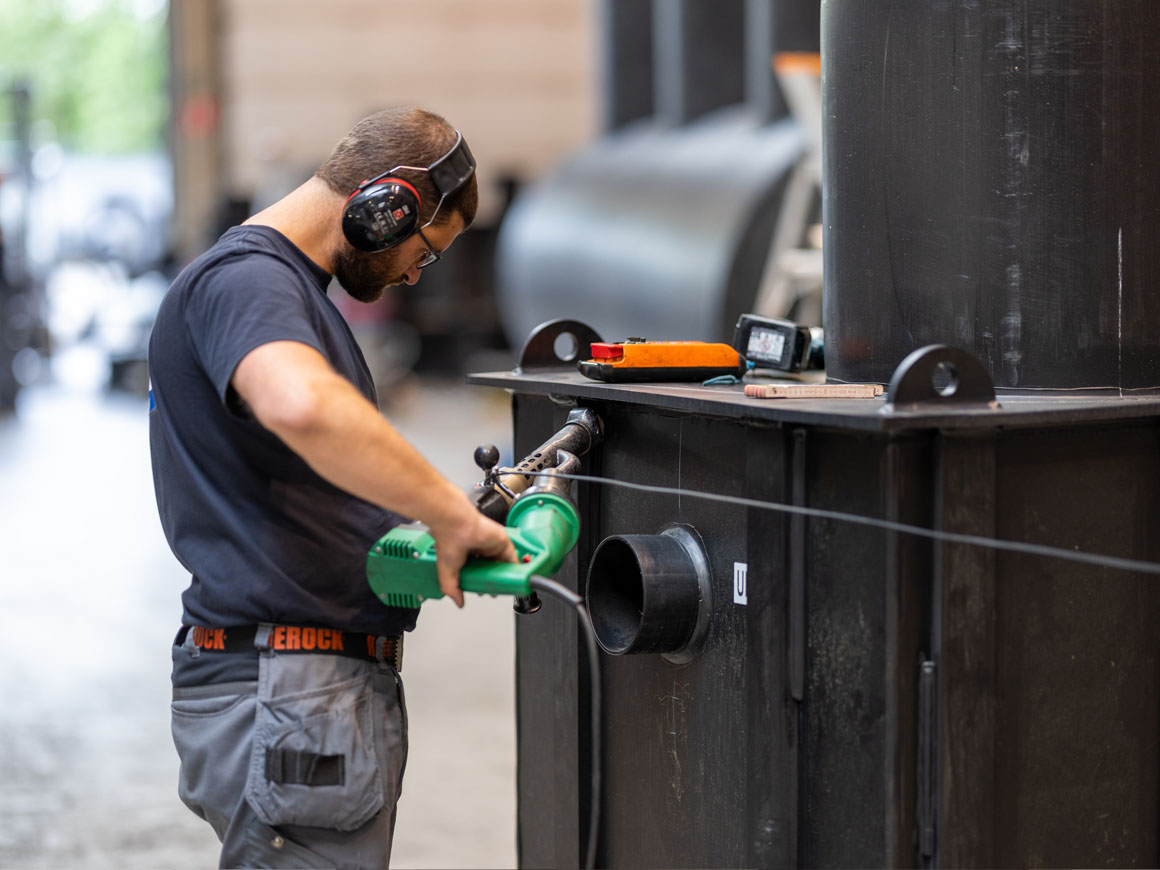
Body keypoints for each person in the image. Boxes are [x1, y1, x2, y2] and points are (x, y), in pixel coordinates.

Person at [147, 107, 516, 869]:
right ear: (389, 205)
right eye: (425, 249)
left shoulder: (287, 295)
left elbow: (306, 481)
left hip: (302, 689)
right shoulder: (249, 280)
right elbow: (301, 404)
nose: (417, 272)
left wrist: (435, 521)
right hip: (290, 690)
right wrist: (445, 508)